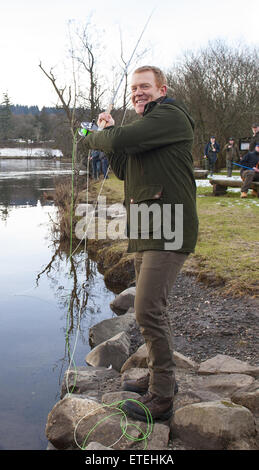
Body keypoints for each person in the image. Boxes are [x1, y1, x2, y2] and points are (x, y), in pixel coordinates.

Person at [84, 65, 198, 422]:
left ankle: (162, 398)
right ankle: (161, 375)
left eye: (145, 86)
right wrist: (109, 132)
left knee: (148, 308)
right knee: (150, 309)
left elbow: (117, 142)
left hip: (171, 227)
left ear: (162, 89)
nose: (137, 92)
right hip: (147, 228)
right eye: (134, 88)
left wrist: (94, 135)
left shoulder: (171, 115)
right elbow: (122, 165)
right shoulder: (144, 130)